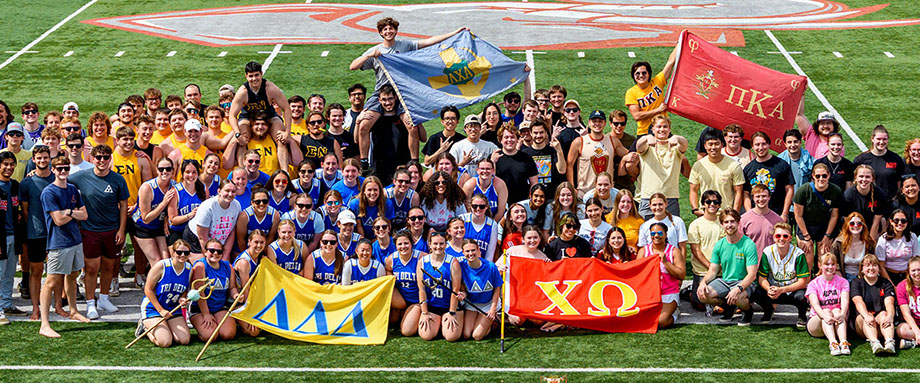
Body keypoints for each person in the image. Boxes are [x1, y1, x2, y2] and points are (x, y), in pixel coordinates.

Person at [350, 17, 464, 165]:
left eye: (391, 28)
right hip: (382, 93)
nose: (388, 31)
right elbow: (353, 66)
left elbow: (428, 42)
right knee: (364, 125)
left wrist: (455, 33)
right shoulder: (375, 50)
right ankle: (364, 161)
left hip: (403, 92)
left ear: (396, 30)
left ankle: (414, 161)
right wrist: (369, 55)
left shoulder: (405, 45)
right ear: (380, 33)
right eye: (385, 29)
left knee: (411, 125)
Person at [69, 145, 128, 319]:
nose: (102, 161)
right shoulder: (81, 177)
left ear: (110, 159)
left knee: (109, 266)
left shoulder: (118, 180)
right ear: (92, 159)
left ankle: (104, 298)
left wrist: (122, 229)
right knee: (92, 268)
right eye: (98, 157)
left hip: (112, 230)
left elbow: (123, 205)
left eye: (105, 157)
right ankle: (90, 303)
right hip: (89, 230)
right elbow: (61, 179)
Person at [38, 157, 91, 336]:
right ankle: (44, 324)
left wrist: (68, 211)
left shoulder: (72, 189)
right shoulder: (48, 192)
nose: (63, 171)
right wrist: (72, 213)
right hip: (58, 242)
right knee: (51, 282)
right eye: (59, 168)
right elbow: (58, 220)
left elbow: (85, 215)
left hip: (75, 240)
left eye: (66, 168)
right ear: (53, 170)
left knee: (73, 275)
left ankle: (74, 311)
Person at [697, 209, 758, 324]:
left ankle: (748, 310)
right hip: (725, 281)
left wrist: (738, 288)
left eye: (732, 221)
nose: (729, 225)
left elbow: (752, 275)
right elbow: (713, 271)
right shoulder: (719, 245)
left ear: (738, 223)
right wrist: (703, 283)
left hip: (744, 282)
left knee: (738, 296)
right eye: (726, 222)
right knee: (702, 295)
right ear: (722, 224)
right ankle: (728, 306)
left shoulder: (748, 244)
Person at [228, 61, 291, 169]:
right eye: (251, 76)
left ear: (261, 74)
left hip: (269, 116)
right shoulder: (243, 92)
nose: (254, 79)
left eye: (256, 75)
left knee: (281, 138)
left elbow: (286, 109)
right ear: (246, 76)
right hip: (248, 117)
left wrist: (287, 132)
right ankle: (243, 171)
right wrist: (238, 134)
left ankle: (285, 172)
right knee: (242, 140)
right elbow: (232, 115)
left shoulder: (270, 88)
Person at [19, 147, 56, 319]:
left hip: (56, 233)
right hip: (36, 234)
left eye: (45, 157)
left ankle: (57, 305)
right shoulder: (27, 183)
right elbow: (25, 210)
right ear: (33, 160)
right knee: (36, 271)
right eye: (39, 158)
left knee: (56, 272)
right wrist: (35, 226)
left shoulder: (57, 178)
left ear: (50, 159)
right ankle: (36, 307)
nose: (42, 160)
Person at [752, 222, 811, 327]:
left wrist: (783, 290)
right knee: (756, 292)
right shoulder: (768, 252)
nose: (781, 239)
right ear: (774, 237)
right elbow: (762, 278)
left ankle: (802, 315)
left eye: (785, 236)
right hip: (774, 289)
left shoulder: (798, 254)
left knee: (803, 296)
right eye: (778, 236)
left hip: (792, 291)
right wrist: (768, 289)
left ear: (790, 238)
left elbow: (803, 282)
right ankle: (768, 310)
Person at [138, 240, 192, 347]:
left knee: (184, 340)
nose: (182, 255)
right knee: (165, 342)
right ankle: (144, 327)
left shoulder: (189, 269)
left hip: (173, 309)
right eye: (179, 252)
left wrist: (182, 297)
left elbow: (185, 289)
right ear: (173, 252)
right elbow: (148, 289)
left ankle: (166, 326)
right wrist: (161, 310)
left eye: (186, 253)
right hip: (153, 308)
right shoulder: (162, 266)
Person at [358, 85, 417, 184]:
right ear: (379, 100)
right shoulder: (374, 118)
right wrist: (357, 121)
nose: (387, 103)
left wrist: (414, 161)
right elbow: (358, 137)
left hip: (402, 163)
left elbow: (422, 137)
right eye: (384, 100)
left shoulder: (403, 117)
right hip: (380, 165)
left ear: (396, 98)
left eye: (390, 99)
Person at [634, 115, 687, 219]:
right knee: (645, 227)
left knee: (671, 227)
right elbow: (638, 146)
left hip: (670, 197)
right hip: (648, 197)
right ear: (653, 129)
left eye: (665, 126)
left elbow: (684, 144)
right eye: (658, 127)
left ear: (669, 129)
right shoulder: (647, 146)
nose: (662, 129)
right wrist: (646, 137)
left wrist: (677, 137)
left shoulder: (675, 147)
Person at [793, 163, 842, 270]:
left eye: (824, 176)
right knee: (807, 257)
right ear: (813, 176)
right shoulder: (803, 190)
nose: (821, 179)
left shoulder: (835, 191)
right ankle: (805, 280)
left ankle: (821, 279)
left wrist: (827, 236)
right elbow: (798, 215)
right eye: (818, 176)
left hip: (825, 225)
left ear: (829, 175)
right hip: (806, 225)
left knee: (823, 257)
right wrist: (806, 236)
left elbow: (834, 216)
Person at [416, 231, 463, 341]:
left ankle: (445, 322)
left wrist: (452, 312)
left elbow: (455, 289)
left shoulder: (453, 262)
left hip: (449, 306)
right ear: (430, 244)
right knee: (426, 335)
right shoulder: (422, 262)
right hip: (432, 306)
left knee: (452, 337)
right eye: (435, 244)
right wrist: (424, 312)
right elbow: (421, 289)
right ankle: (439, 324)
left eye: (441, 243)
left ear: (446, 244)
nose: (438, 247)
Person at [567, 110, 625, 198]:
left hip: (607, 194)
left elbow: (629, 155)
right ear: (589, 122)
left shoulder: (613, 141)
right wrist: (572, 187)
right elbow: (569, 165)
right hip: (584, 194)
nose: (597, 124)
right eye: (594, 121)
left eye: (600, 121)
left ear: (605, 123)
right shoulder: (579, 142)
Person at [132, 158, 177, 272]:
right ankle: (152, 283)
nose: (165, 172)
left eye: (168, 169)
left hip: (159, 226)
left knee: (166, 260)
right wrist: (163, 203)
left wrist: (167, 218)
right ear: (156, 170)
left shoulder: (174, 186)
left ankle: (165, 282)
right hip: (142, 226)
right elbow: (146, 218)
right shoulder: (147, 187)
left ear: (173, 170)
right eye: (161, 169)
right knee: (157, 262)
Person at [638, 222, 685, 328]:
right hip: (649, 294)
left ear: (666, 234)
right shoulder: (643, 251)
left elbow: (681, 275)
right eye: (653, 233)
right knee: (641, 319)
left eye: (659, 233)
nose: (656, 236)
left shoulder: (674, 251)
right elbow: (637, 274)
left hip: (668, 293)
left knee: (661, 322)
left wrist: (666, 262)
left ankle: (674, 313)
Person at [190, 239, 237, 342]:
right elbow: (200, 293)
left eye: (219, 251)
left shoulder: (228, 266)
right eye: (212, 250)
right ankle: (202, 325)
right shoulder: (200, 266)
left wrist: (235, 295)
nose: (215, 253)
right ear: (205, 252)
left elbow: (232, 287)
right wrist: (206, 314)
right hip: (200, 309)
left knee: (228, 334)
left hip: (220, 307)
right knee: (210, 336)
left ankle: (217, 323)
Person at [689, 128, 744, 214]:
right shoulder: (698, 165)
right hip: (705, 214)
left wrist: (734, 213)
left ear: (722, 145)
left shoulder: (733, 165)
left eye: (717, 144)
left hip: (726, 214)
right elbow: (693, 190)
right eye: (710, 144)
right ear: (705, 146)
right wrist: (695, 209)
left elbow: (739, 191)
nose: (713, 147)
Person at [850, 254, 897, 355]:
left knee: (884, 314)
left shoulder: (886, 283)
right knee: (866, 316)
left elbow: (889, 302)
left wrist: (890, 316)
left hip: (881, 323)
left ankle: (889, 343)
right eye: (867, 265)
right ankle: (875, 343)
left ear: (879, 269)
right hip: (862, 322)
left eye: (874, 265)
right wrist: (866, 316)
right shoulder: (856, 282)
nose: (871, 268)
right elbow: (858, 301)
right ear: (862, 269)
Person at [806, 253, 851, 355]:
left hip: (837, 321)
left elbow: (845, 301)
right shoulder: (813, 284)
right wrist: (825, 316)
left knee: (837, 310)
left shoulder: (843, 282)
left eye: (833, 264)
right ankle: (833, 343)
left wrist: (842, 314)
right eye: (827, 264)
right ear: (820, 265)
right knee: (826, 311)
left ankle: (844, 342)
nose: (830, 267)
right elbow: (815, 305)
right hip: (817, 322)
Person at [686, 190, 725, 310]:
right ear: (703, 204)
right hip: (702, 271)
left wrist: (720, 266)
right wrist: (710, 266)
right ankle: (688, 293)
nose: (712, 204)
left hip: (721, 271)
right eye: (708, 202)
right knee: (700, 305)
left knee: (725, 302)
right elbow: (695, 250)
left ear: (719, 205)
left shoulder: (724, 223)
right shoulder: (695, 224)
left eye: (715, 202)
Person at [185, 179, 241, 260]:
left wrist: (225, 256)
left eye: (233, 191)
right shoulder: (208, 207)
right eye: (227, 191)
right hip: (196, 238)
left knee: (224, 264)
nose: (230, 194)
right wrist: (209, 255)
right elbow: (202, 237)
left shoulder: (236, 206)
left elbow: (232, 232)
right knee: (205, 265)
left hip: (218, 241)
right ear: (219, 191)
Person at [457, 240, 502, 340]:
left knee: (477, 336)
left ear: (478, 250)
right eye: (467, 251)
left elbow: (496, 289)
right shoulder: (461, 266)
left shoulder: (490, 267)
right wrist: (463, 294)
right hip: (472, 303)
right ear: (463, 252)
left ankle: (493, 323)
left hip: (488, 304)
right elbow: (463, 289)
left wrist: (492, 309)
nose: (470, 253)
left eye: (473, 250)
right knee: (466, 334)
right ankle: (482, 320)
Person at [386, 230, 423, 336]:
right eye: (400, 244)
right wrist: (390, 277)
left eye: (406, 243)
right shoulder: (391, 259)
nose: (403, 247)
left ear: (411, 244)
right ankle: (402, 310)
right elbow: (388, 270)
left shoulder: (421, 257)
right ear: (395, 245)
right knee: (392, 321)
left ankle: (416, 312)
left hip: (416, 300)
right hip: (401, 299)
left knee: (407, 331)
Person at [854, 125, 904, 199]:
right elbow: (855, 183)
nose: (881, 142)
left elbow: (899, 183)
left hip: (890, 201)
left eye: (884, 139)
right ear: (872, 139)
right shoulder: (861, 160)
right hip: (868, 201)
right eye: (878, 139)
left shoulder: (896, 159)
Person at [494, 122, 538, 205]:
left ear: (517, 139)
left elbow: (534, 183)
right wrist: (492, 162)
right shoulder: (495, 157)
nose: (509, 140)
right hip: (500, 203)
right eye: (506, 137)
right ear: (500, 140)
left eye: (512, 137)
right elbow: (488, 181)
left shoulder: (526, 158)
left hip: (522, 203)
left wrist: (530, 200)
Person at [0, 151, 22, 321]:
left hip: (13, 234)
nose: (9, 167)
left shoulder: (14, 185)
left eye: (11, 164)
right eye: (5, 164)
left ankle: (7, 303)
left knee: (9, 273)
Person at [840, 165, 888, 241]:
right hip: (854, 228)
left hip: (872, 228)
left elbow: (876, 223)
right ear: (856, 177)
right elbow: (848, 221)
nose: (864, 179)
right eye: (861, 176)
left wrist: (871, 243)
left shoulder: (879, 194)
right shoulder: (848, 195)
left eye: (867, 177)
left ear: (872, 179)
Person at [876, 209, 920, 286]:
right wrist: (891, 285)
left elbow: (916, 260)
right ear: (891, 221)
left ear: (907, 222)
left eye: (903, 221)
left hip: (908, 275)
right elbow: (881, 265)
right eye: (896, 220)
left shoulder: (912, 237)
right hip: (889, 275)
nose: (900, 223)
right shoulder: (883, 239)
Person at [168, 159, 207, 247]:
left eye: (194, 172)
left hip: (196, 231)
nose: (191, 175)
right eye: (187, 172)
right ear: (182, 174)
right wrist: (190, 215)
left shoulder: (203, 188)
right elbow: (173, 220)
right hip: (178, 231)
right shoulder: (175, 191)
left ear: (198, 174)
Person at [637, 193, 688, 260]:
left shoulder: (677, 221)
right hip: (652, 262)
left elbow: (683, 247)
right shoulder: (644, 226)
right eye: (654, 205)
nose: (657, 208)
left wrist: (682, 264)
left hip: (672, 261)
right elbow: (642, 250)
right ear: (650, 206)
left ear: (666, 204)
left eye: (660, 204)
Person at [521, 118, 566, 192]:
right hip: (533, 195)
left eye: (541, 132)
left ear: (546, 132)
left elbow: (562, 170)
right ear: (531, 133)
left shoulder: (553, 151)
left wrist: (559, 150)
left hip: (551, 194)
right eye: (535, 133)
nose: (538, 135)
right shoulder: (524, 153)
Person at [830, 212, 874, 282]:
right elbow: (832, 260)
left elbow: (873, 262)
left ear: (863, 226)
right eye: (852, 223)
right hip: (843, 277)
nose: (856, 226)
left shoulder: (869, 243)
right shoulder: (838, 243)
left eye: (859, 224)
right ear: (847, 225)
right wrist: (841, 279)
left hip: (863, 278)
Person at [461, 193, 500, 262]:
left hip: (481, 263)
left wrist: (485, 267)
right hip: (463, 261)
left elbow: (490, 253)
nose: (478, 209)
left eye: (481, 206)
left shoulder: (492, 225)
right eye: (475, 206)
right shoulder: (463, 219)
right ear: (470, 206)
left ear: (486, 207)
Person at [778, 128, 815, 193]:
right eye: (789, 142)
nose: (793, 145)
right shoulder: (780, 161)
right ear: (785, 144)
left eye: (795, 141)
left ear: (800, 142)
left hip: (805, 197)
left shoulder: (809, 159)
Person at [896, 256, 920, 350]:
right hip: (912, 324)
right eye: (913, 270)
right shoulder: (902, 287)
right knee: (901, 330)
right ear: (908, 272)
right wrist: (917, 331)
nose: (917, 273)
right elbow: (906, 314)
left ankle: (912, 343)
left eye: (919, 270)